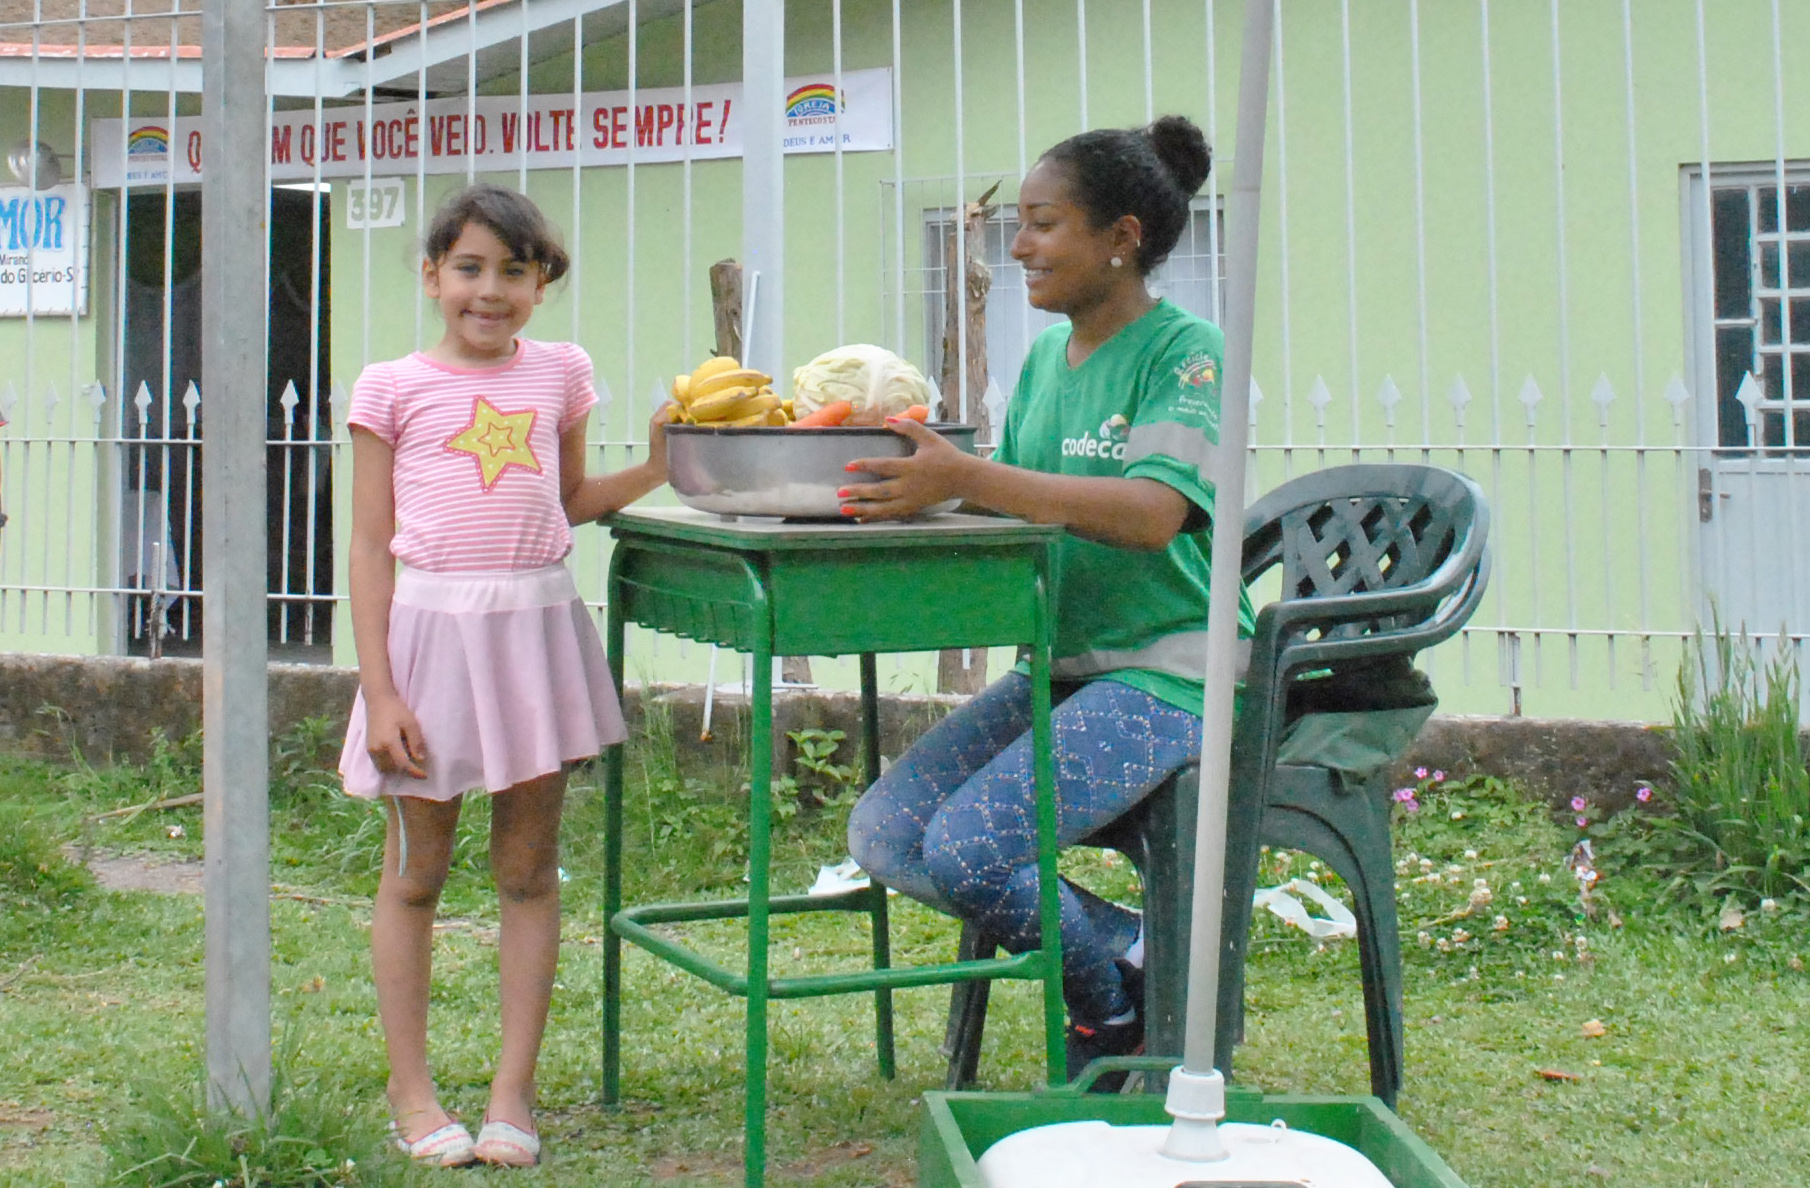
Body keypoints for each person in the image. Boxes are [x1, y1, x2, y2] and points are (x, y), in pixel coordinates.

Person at [842, 115, 1253, 1090]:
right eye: (1019, 225)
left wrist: (975, 479)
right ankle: (1132, 947)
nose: (1017, 246)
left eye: (1043, 224)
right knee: (887, 835)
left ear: (1123, 236)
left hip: (1170, 674)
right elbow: (1020, 512)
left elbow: (1154, 514)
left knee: (973, 852)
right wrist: (915, 495)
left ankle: (1109, 1019)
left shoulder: (1187, 354)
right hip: (1063, 669)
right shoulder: (1041, 365)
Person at [337, 183, 673, 1167]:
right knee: (415, 876)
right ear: (433, 275)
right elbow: (366, 547)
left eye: (515, 272)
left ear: (542, 284)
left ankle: (511, 1093)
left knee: (527, 871)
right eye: (470, 268)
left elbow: (566, 501)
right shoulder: (388, 388)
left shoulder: (561, 373)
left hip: (534, 633)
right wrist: (382, 691)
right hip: (428, 644)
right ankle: (413, 1093)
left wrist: (656, 467)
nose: (491, 291)